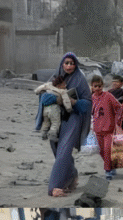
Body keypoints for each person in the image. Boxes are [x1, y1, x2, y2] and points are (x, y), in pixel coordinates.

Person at [36, 52, 91, 197]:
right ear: (62, 64)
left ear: (76, 65)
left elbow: (87, 103)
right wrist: (56, 98)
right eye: (66, 63)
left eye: (72, 63)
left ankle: (55, 187)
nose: (69, 66)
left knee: (64, 150)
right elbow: (43, 97)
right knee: (56, 148)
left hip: (73, 118)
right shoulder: (54, 78)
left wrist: (74, 102)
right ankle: (72, 175)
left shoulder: (80, 80)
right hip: (56, 118)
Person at [90, 74, 123, 180]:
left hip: (109, 129)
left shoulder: (108, 96)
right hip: (97, 129)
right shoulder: (92, 98)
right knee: (101, 150)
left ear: (103, 86)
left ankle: (107, 171)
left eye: (100, 86)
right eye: (95, 86)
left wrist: (118, 119)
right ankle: (110, 165)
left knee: (107, 149)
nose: (98, 88)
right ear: (92, 87)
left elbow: (119, 107)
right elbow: (90, 113)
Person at [35, 75, 75, 142]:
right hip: (54, 108)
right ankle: (52, 135)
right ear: (59, 85)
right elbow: (66, 101)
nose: (65, 85)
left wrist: (36, 91)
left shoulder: (48, 86)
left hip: (45, 108)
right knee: (55, 123)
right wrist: (69, 109)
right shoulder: (62, 91)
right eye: (64, 84)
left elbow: (40, 88)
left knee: (46, 122)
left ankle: (43, 134)